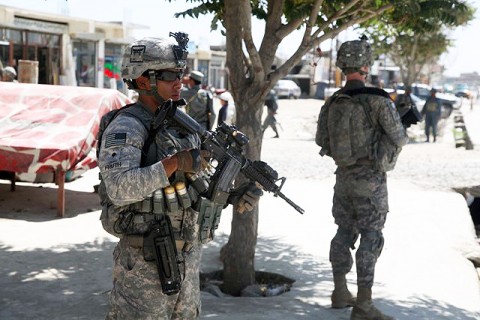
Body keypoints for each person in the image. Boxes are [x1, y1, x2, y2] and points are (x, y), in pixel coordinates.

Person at [98, 33, 262, 319]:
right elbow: (119, 188)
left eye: (180, 74)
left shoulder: (181, 125)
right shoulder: (127, 126)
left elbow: (194, 189)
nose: (179, 82)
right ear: (142, 80)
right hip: (145, 264)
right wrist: (174, 163)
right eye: (168, 75)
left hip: (186, 260)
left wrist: (232, 196)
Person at [315, 36, 409, 320]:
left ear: (344, 66)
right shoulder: (378, 99)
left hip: (343, 178)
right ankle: (364, 304)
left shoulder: (332, 102)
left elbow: (322, 139)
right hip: (371, 180)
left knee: (344, 231)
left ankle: (340, 292)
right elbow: (399, 137)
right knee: (371, 236)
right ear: (366, 65)